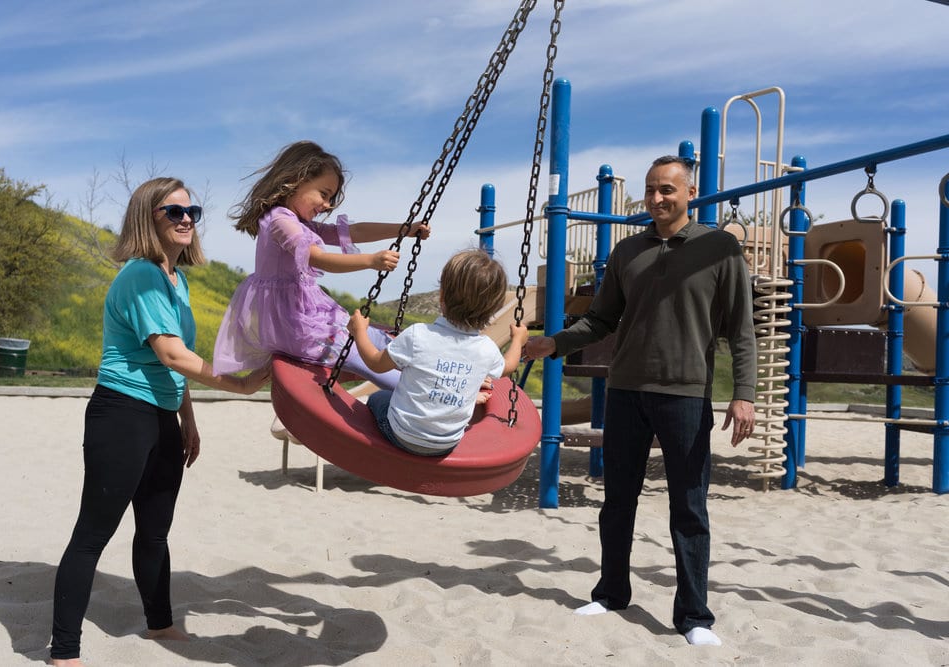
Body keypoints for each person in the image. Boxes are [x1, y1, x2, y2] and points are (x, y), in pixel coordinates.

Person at [524, 155, 756, 647]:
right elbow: (601, 320)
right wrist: (555, 343)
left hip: (686, 395)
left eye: (667, 190)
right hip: (626, 390)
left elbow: (741, 329)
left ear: (689, 193)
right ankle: (611, 593)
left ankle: (693, 615)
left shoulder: (720, 248)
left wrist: (744, 395)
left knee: (689, 508)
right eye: (651, 190)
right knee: (616, 502)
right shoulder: (628, 251)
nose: (656, 198)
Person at [50, 178, 271, 666]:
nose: (187, 217)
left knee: (154, 532)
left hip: (161, 417)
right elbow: (170, 353)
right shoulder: (141, 276)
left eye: (192, 209)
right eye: (174, 211)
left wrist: (187, 419)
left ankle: (160, 625)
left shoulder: (177, 279)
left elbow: (177, 359)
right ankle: (64, 651)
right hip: (122, 414)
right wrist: (241, 384)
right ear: (147, 218)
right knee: (92, 535)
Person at [213, 140, 430, 389]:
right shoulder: (279, 221)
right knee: (360, 354)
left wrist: (406, 229)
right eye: (324, 194)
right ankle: (422, 393)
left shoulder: (301, 222)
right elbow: (315, 257)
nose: (327, 204)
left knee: (379, 339)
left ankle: (438, 378)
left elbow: (354, 231)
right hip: (295, 326)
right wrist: (370, 261)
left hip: (308, 316)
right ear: (296, 180)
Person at [347, 249, 529, 456]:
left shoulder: (418, 334)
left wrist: (359, 332)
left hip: (401, 435)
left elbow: (375, 363)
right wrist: (517, 339)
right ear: (494, 307)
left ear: (442, 296)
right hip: (447, 443)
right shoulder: (486, 348)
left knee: (378, 398)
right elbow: (509, 366)